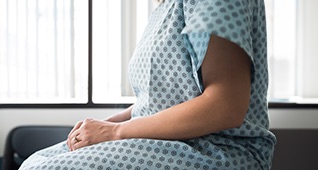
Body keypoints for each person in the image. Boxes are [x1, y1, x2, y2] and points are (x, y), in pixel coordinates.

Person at [19, 0, 277, 169]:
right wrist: (109, 124)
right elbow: (161, 99)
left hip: (216, 150)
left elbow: (225, 106)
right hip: (169, 140)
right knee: (35, 162)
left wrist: (114, 133)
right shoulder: (166, 8)